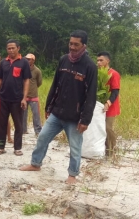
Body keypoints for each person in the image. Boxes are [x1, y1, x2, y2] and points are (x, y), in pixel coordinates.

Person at [19, 30, 98, 185]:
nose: (73, 47)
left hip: (75, 118)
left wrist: (85, 120)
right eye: (71, 43)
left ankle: (72, 175)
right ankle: (35, 164)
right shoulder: (64, 60)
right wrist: (49, 106)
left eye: (76, 44)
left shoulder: (89, 66)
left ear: (84, 45)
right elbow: (55, 85)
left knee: (75, 147)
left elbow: (91, 96)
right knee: (42, 137)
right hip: (57, 113)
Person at [0, 40, 31, 156]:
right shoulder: (3, 63)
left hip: (17, 99)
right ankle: (0, 147)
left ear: (18, 48)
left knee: (18, 124)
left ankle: (17, 148)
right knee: (1, 123)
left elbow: (26, 81)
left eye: (13, 48)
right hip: (3, 98)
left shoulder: (24, 63)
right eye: (8, 48)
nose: (11, 50)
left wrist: (24, 98)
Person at [96, 51, 121, 157]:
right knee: (99, 127)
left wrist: (108, 103)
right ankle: (103, 150)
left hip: (111, 106)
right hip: (99, 106)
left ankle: (111, 151)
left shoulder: (114, 74)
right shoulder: (97, 73)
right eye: (97, 60)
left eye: (101, 60)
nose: (98, 62)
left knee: (107, 127)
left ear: (108, 61)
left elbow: (115, 91)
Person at [22, 53, 43, 137]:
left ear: (33, 60)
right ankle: (23, 130)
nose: (27, 61)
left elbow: (39, 82)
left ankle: (38, 131)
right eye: (26, 59)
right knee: (23, 114)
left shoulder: (37, 71)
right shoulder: (23, 69)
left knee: (36, 114)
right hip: (24, 96)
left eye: (29, 59)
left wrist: (33, 88)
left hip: (34, 96)